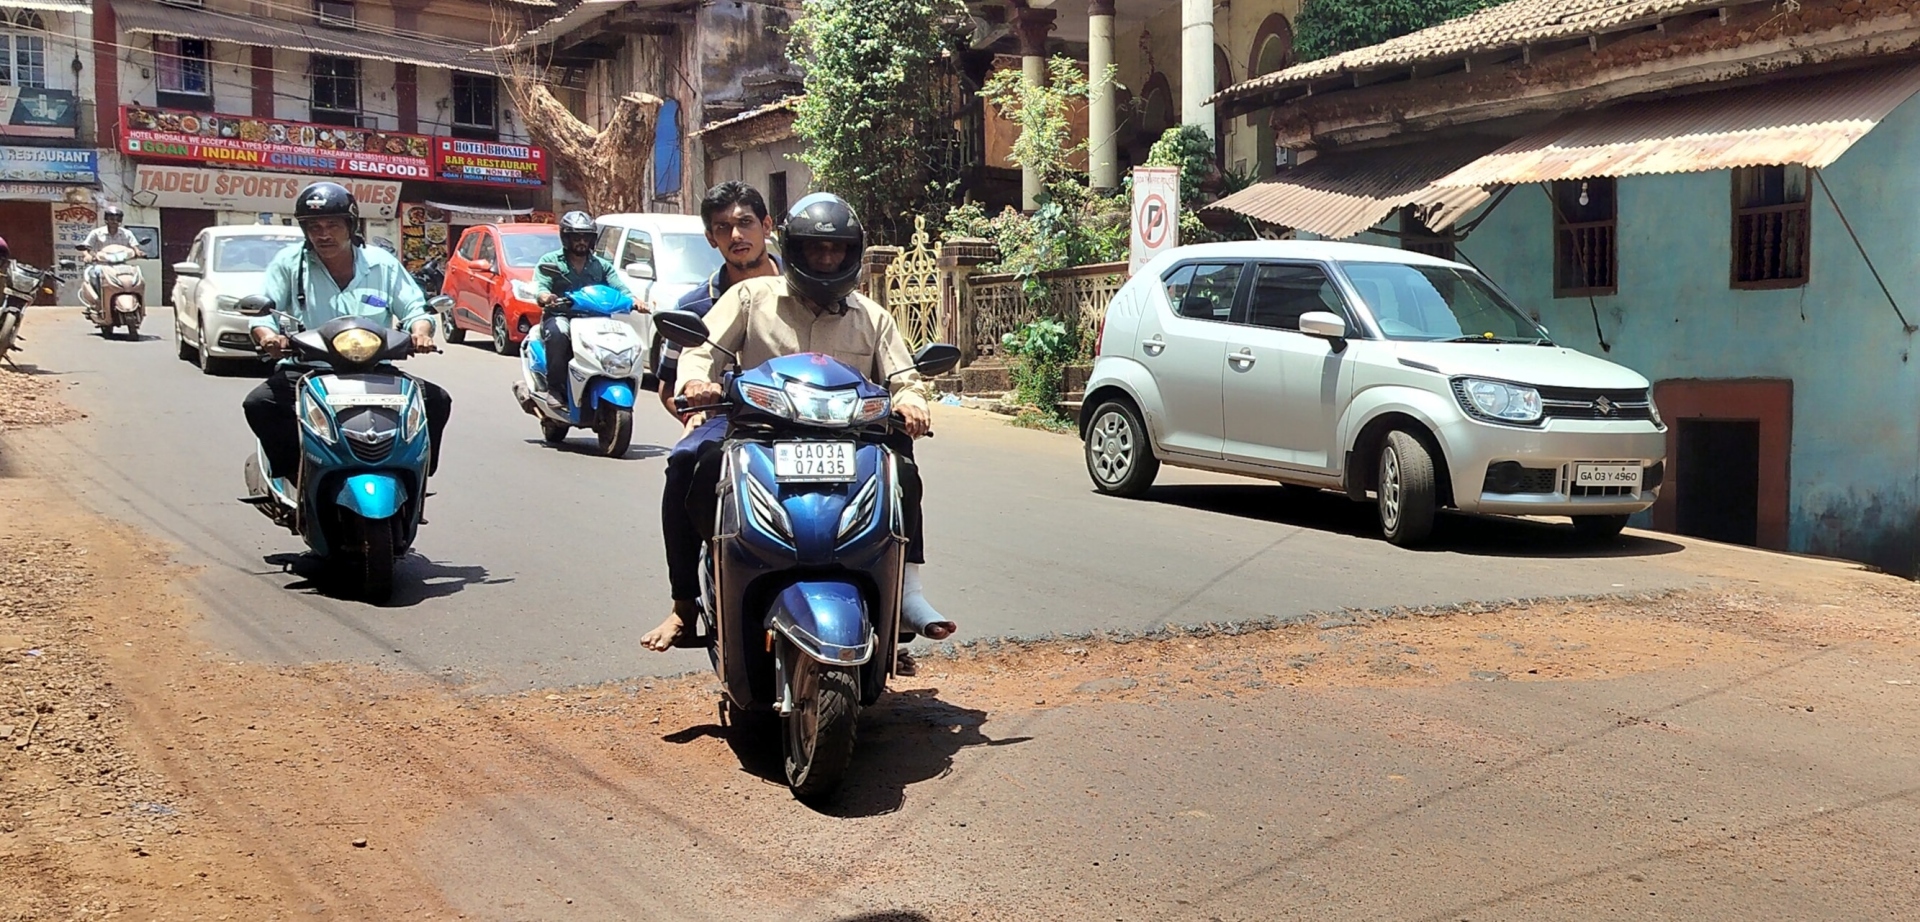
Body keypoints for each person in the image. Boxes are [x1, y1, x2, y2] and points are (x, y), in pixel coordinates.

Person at [641, 192, 955, 654]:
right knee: (689, 462)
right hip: (760, 433)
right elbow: (701, 353)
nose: (827, 258)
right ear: (794, 249)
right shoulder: (751, 297)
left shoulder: (872, 316)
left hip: (848, 436)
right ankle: (685, 604)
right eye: (815, 248)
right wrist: (695, 384)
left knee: (902, 469)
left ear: (852, 253)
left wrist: (912, 402)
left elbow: (903, 377)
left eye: (837, 250)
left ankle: (907, 593)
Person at [243, 181, 452, 484]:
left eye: (332, 225)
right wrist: (268, 337)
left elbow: (414, 309)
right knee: (260, 404)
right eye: (314, 227)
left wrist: (421, 333)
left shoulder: (382, 263)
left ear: (350, 226)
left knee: (435, 400)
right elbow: (264, 314)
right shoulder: (289, 263)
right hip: (308, 370)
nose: (324, 234)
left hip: (376, 369)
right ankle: (292, 474)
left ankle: (413, 475)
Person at [650, 181, 781, 419]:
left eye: (745, 223)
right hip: (727, 436)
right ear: (711, 238)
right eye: (723, 227)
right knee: (689, 455)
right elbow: (668, 386)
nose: (736, 235)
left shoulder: (801, 293)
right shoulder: (693, 307)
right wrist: (696, 417)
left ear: (766, 226)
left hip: (803, 433)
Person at [532, 210, 617, 403]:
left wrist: (635, 301)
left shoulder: (602, 266)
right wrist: (546, 296)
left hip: (593, 319)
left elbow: (619, 287)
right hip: (561, 316)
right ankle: (555, 389)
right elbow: (540, 286)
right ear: (566, 238)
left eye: (585, 237)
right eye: (576, 237)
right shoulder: (550, 261)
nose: (581, 241)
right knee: (560, 333)